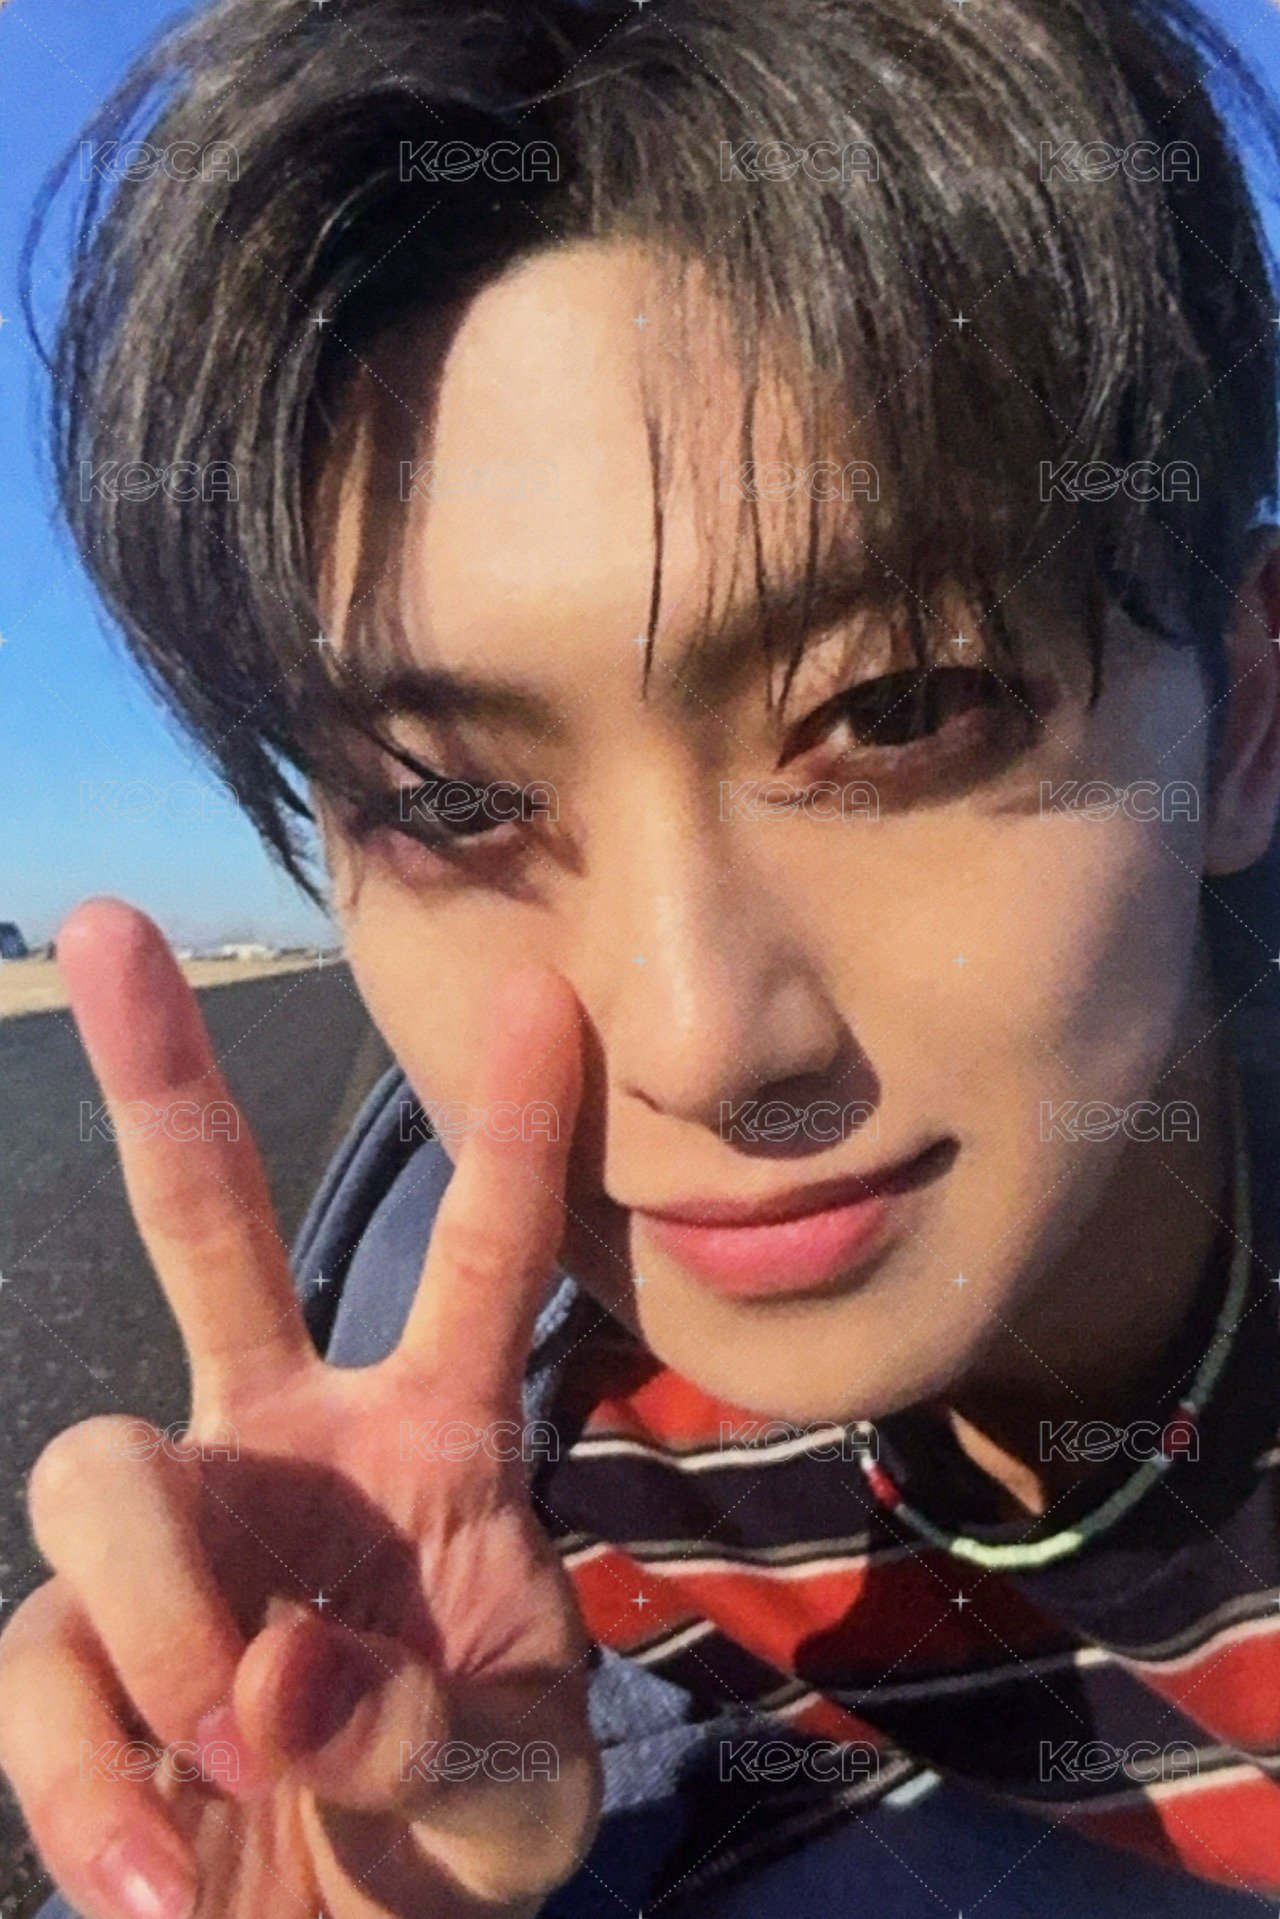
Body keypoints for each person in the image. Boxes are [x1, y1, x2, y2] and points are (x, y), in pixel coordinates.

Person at [4, 0, 1280, 1912]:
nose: (702, 1043)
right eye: (450, 803)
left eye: (895, 707)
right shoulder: (477, 1512)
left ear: (1248, 716)